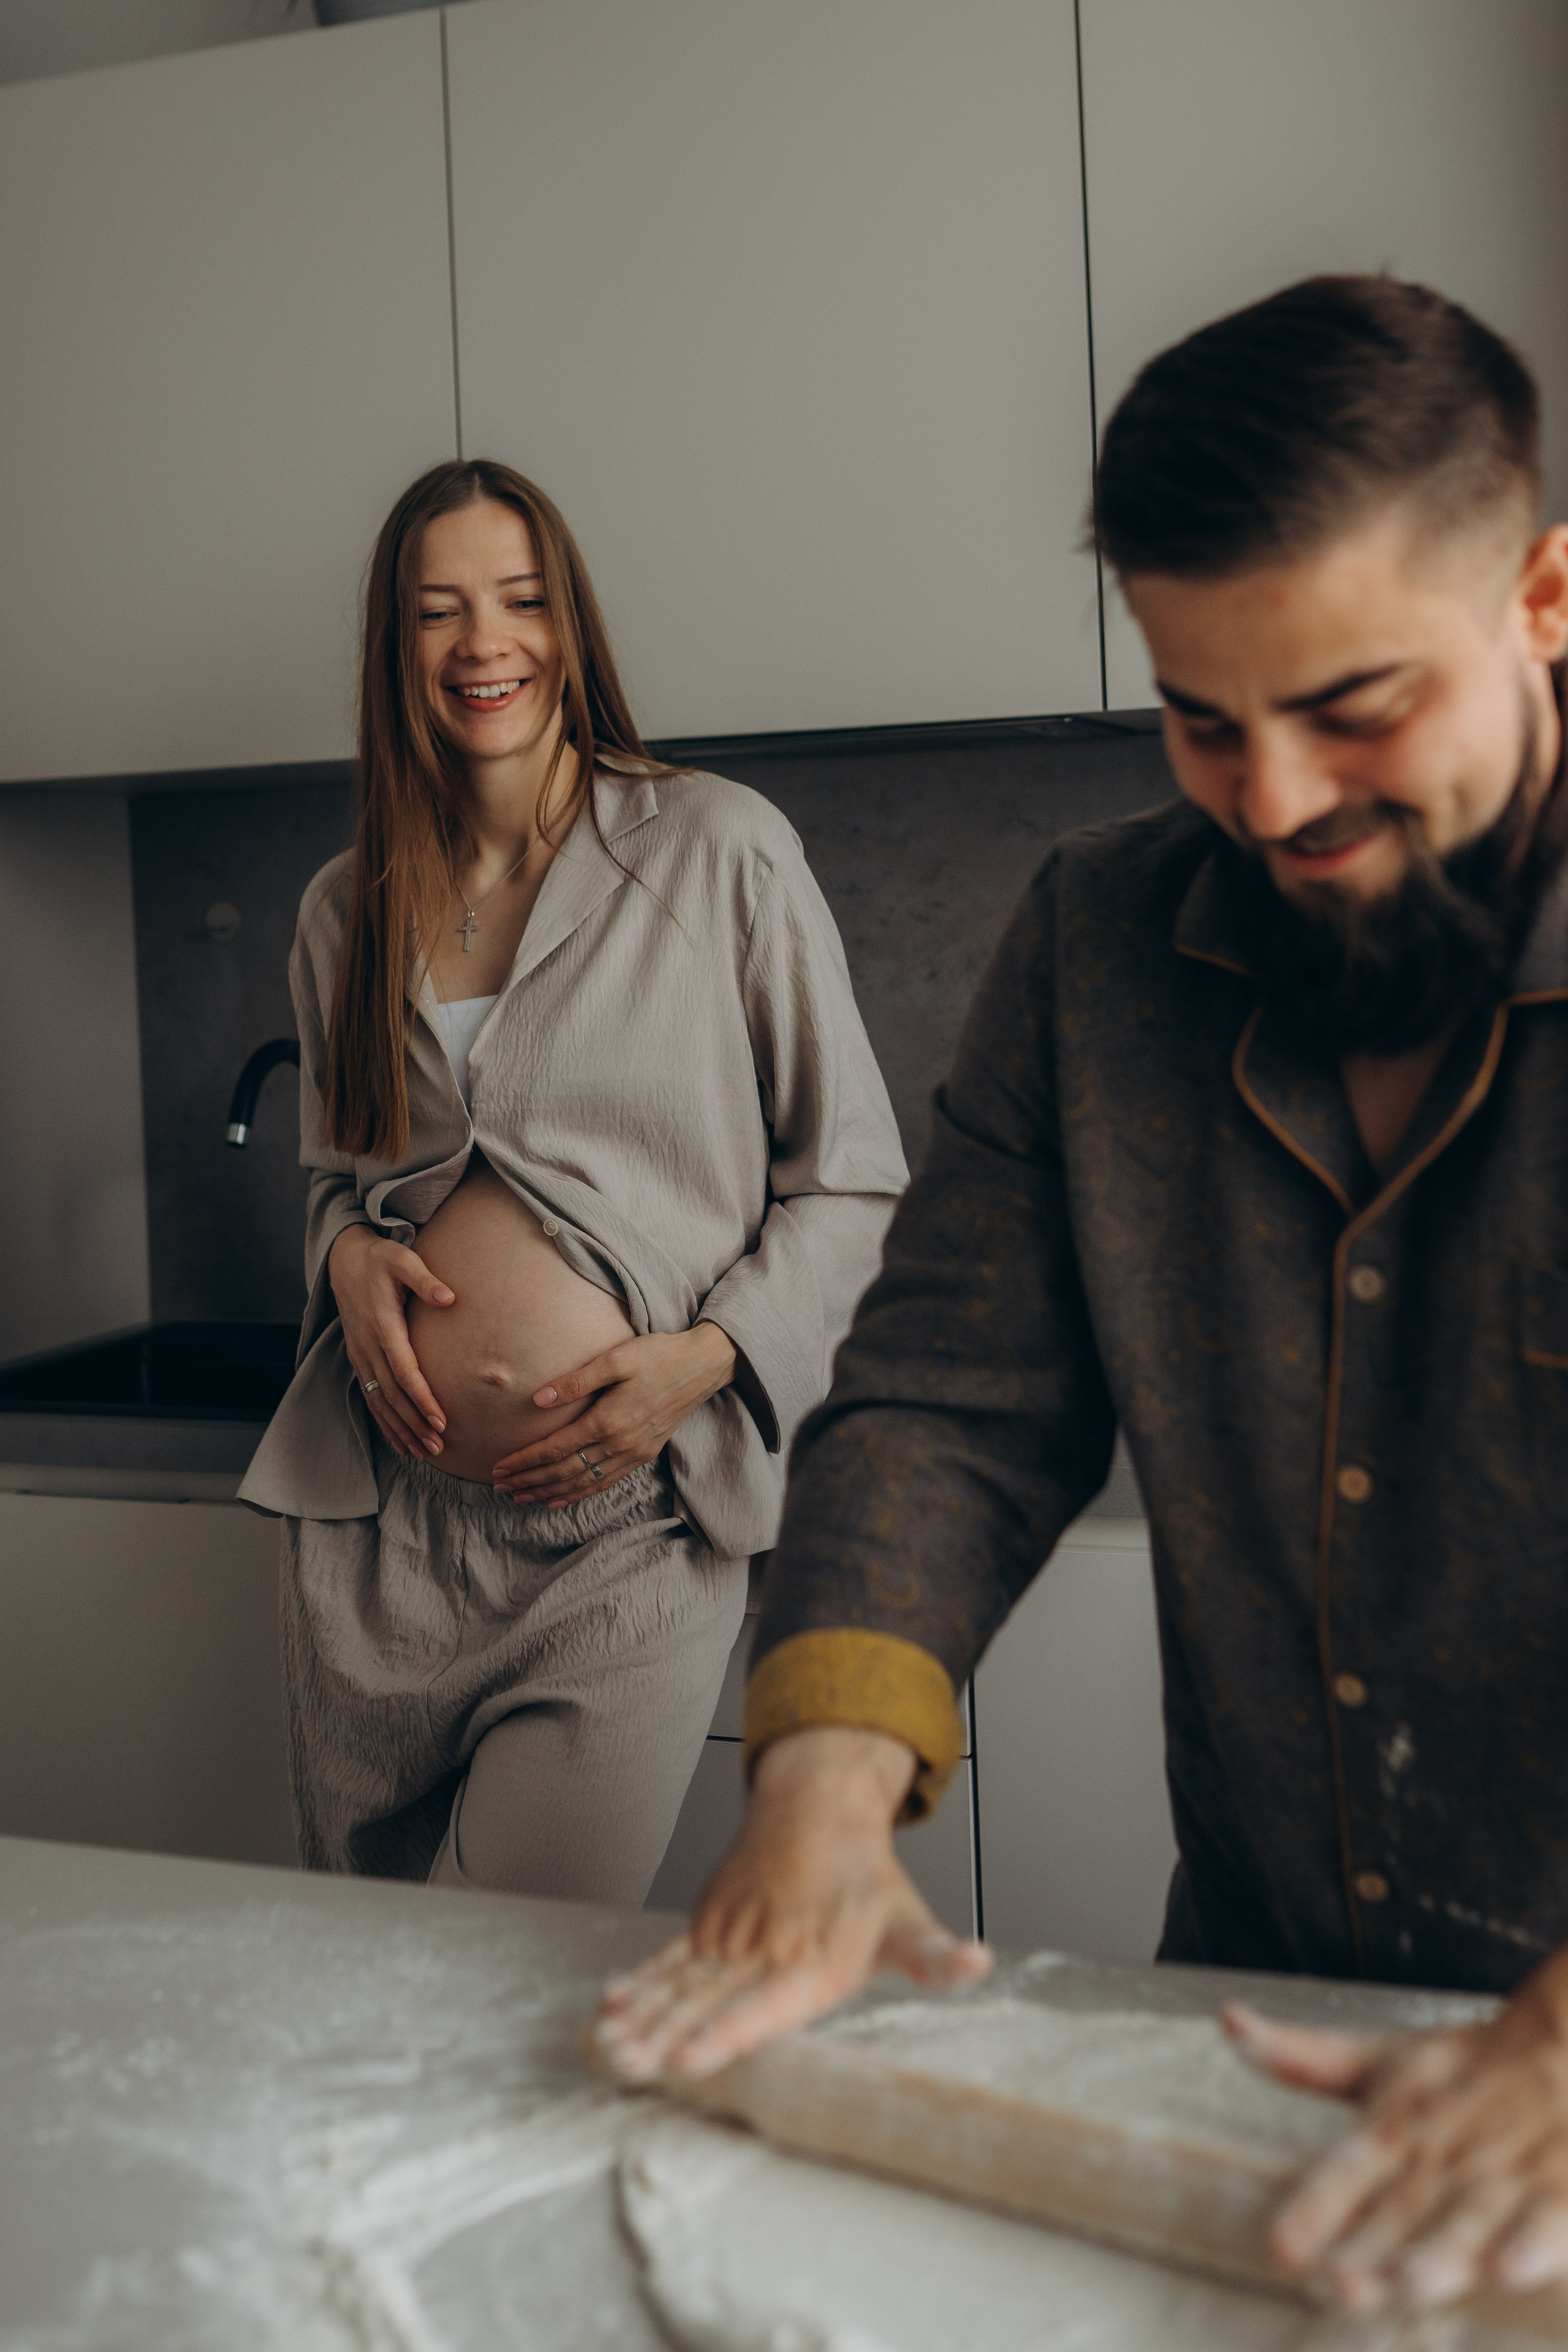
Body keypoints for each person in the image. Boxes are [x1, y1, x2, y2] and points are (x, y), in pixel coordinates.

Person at [594, 276, 1568, 2318]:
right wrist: (825, 1795)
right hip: (1253, 2024)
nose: (1279, 800)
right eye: (1207, 720)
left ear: (1545, 600)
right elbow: (951, 1402)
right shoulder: (1096, 943)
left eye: (1359, 708)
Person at [239, 457, 906, 1904]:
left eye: (520, 601)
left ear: (570, 625)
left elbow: (855, 1186)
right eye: (439, 611)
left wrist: (705, 1362)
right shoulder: (342, 911)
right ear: (393, 645)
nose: (485, 644)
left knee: (500, 1974)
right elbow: (334, 1185)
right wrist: (348, 1257)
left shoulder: (717, 850)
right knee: (361, 1983)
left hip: (628, 1533)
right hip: (378, 1543)